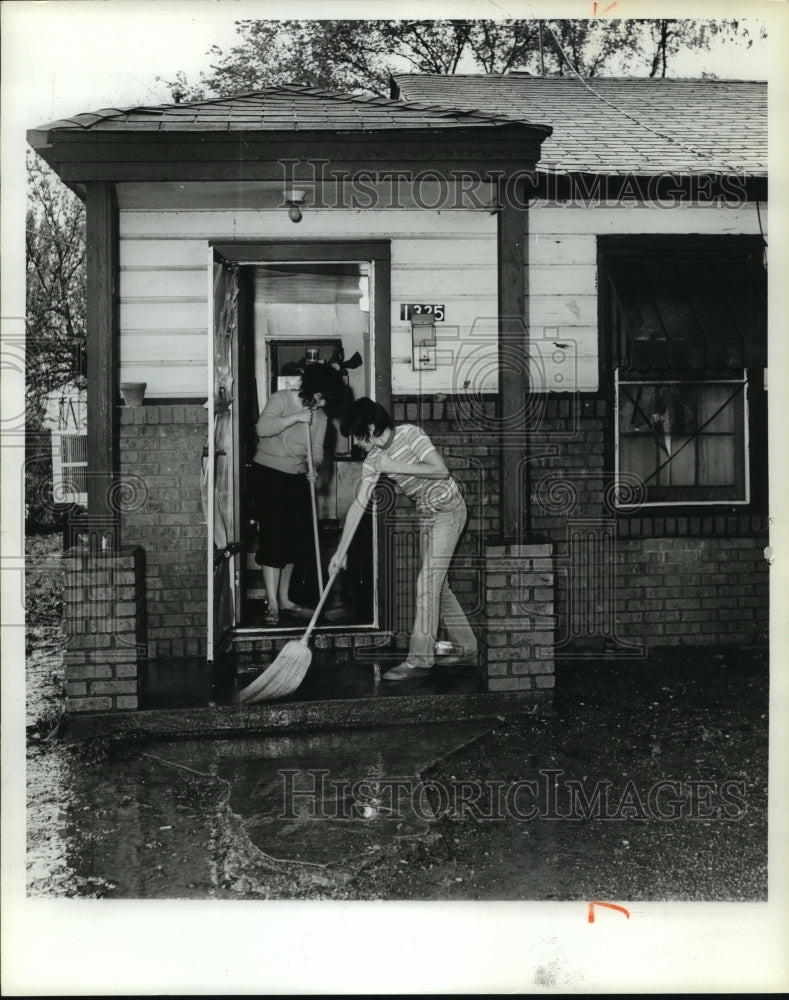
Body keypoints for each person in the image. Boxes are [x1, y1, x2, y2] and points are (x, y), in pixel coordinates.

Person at [329, 398, 477, 680]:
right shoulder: (373, 460)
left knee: (427, 583)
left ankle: (420, 661)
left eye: (358, 437)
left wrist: (393, 463)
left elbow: (440, 470)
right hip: (427, 513)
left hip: (449, 509)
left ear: (371, 427)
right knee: (438, 586)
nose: (357, 444)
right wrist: (340, 551)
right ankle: (468, 649)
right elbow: (359, 504)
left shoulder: (411, 434)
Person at [250, 362, 345, 625]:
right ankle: (271, 604)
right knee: (273, 537)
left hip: (296, 478)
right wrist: (296, 417)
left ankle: (285, 599)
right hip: (267, 475)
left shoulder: (322, 417)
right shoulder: (281, 399)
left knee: (293, 540)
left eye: (327, 399)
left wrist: (313, 468)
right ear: (313, 389)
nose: (323, 403)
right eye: (321, 396)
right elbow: (263, 429)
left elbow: (316, 451)